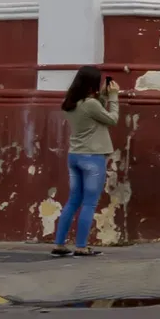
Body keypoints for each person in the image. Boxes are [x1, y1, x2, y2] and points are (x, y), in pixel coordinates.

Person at [51, 65, 121, 256]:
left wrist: (103, 97)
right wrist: (113, 97)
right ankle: (81, 246)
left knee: (73, 201)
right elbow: (112, 119)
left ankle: (59, 244)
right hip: (93, 157)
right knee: (89, 203)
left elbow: (94, 112)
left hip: (75, 155)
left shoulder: (70, 103)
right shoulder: (91, 104)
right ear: (92, 84)